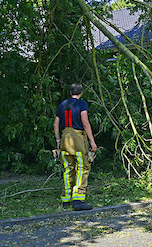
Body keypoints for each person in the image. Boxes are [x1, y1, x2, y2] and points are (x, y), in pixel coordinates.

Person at [54, 83, 97, 211]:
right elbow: (85, 122)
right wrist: (92, 141)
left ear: (70, 92)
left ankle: (66, 199)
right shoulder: (82, 104)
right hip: (77, 137)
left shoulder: (62, 104)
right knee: (82, 166)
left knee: (68, 168)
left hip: (64, 137)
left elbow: (56, 124)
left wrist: (58, 140)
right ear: (81, 93)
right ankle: (78, 199)